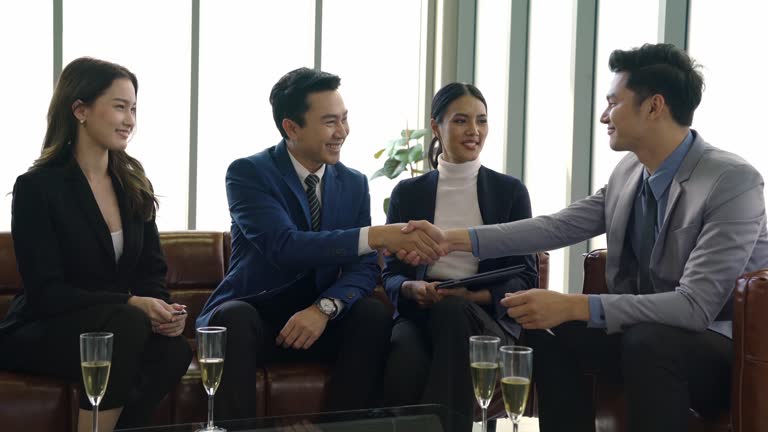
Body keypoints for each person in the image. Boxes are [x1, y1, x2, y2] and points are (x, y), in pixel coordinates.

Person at [400, 43, 768, 432]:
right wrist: (449, 239)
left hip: (720, 347)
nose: (604, 115)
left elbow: (695, 307)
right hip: (642, 334)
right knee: (544, 335)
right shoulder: (629, 172)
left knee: (647, 343)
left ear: (654, 106)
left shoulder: (731, 181)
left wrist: (574, 305)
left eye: (613, 102)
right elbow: (555, 227)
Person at [196, 67, 442, 420]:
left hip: (321, 320)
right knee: (233, 317)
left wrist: (324, 308)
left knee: (372, 313)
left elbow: (362, 267)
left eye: (344, 119)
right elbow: (285, 245)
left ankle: (341, 428)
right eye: (330, 122)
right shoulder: (248, 174)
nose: (342, 132)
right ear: (291, 128)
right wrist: (374, 236)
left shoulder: (354, 183)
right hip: (258, 318)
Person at [0, 57, 193, 432]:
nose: (130, 120)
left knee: (175, 349)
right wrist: (130, 303)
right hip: (44, 329)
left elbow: (151, 273)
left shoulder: (134, 184)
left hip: (120, 329)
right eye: (120, 107)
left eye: (134, 108)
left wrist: (165, 312)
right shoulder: (37, 188)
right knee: (125, 324)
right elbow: (46, 292)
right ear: (80, 110)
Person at [380, 83, 537, 431]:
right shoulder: (408, 193)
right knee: (404, 355)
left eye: (481, 121)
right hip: (421, 309)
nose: (474, 131)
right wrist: (410, 288)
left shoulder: (509, 192)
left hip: (482, 315)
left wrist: (470, 295)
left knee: (450, 310)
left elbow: (526, 276)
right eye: (462, 121)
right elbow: (389, 274)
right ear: (436, 127)